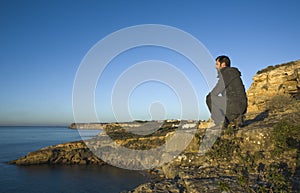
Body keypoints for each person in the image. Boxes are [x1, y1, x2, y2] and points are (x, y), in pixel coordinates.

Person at [206, 55, 247, 129]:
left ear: (223, 64)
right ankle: (236, 118)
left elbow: (215, 91)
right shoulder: (230, 73)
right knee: (221, 100)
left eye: (217, 64)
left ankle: (222, 123)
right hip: (239, 104)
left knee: (210, 98)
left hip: (237, 105)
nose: (216, 67)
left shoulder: (227, 73)